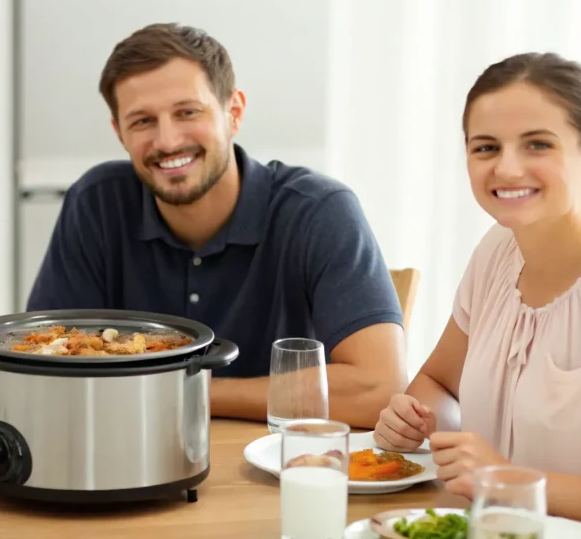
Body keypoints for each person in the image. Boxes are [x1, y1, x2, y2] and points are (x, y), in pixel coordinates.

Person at [26, 23, 407, 429]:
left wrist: (188, 393)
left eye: (187, 112)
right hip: (128, 463)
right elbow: (43, 369)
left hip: (282, 471)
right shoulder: (95, 204)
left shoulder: (320, 211)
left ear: (234, 112)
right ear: (119, 133)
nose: (168, 141)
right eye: (142, 121)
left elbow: (379, 389)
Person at [373, 52, 581, 532]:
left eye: (537, 145)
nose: (507, 168)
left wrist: (502, 478)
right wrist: (416, 419)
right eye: (486, 148)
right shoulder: (497, 252)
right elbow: (440, 384)